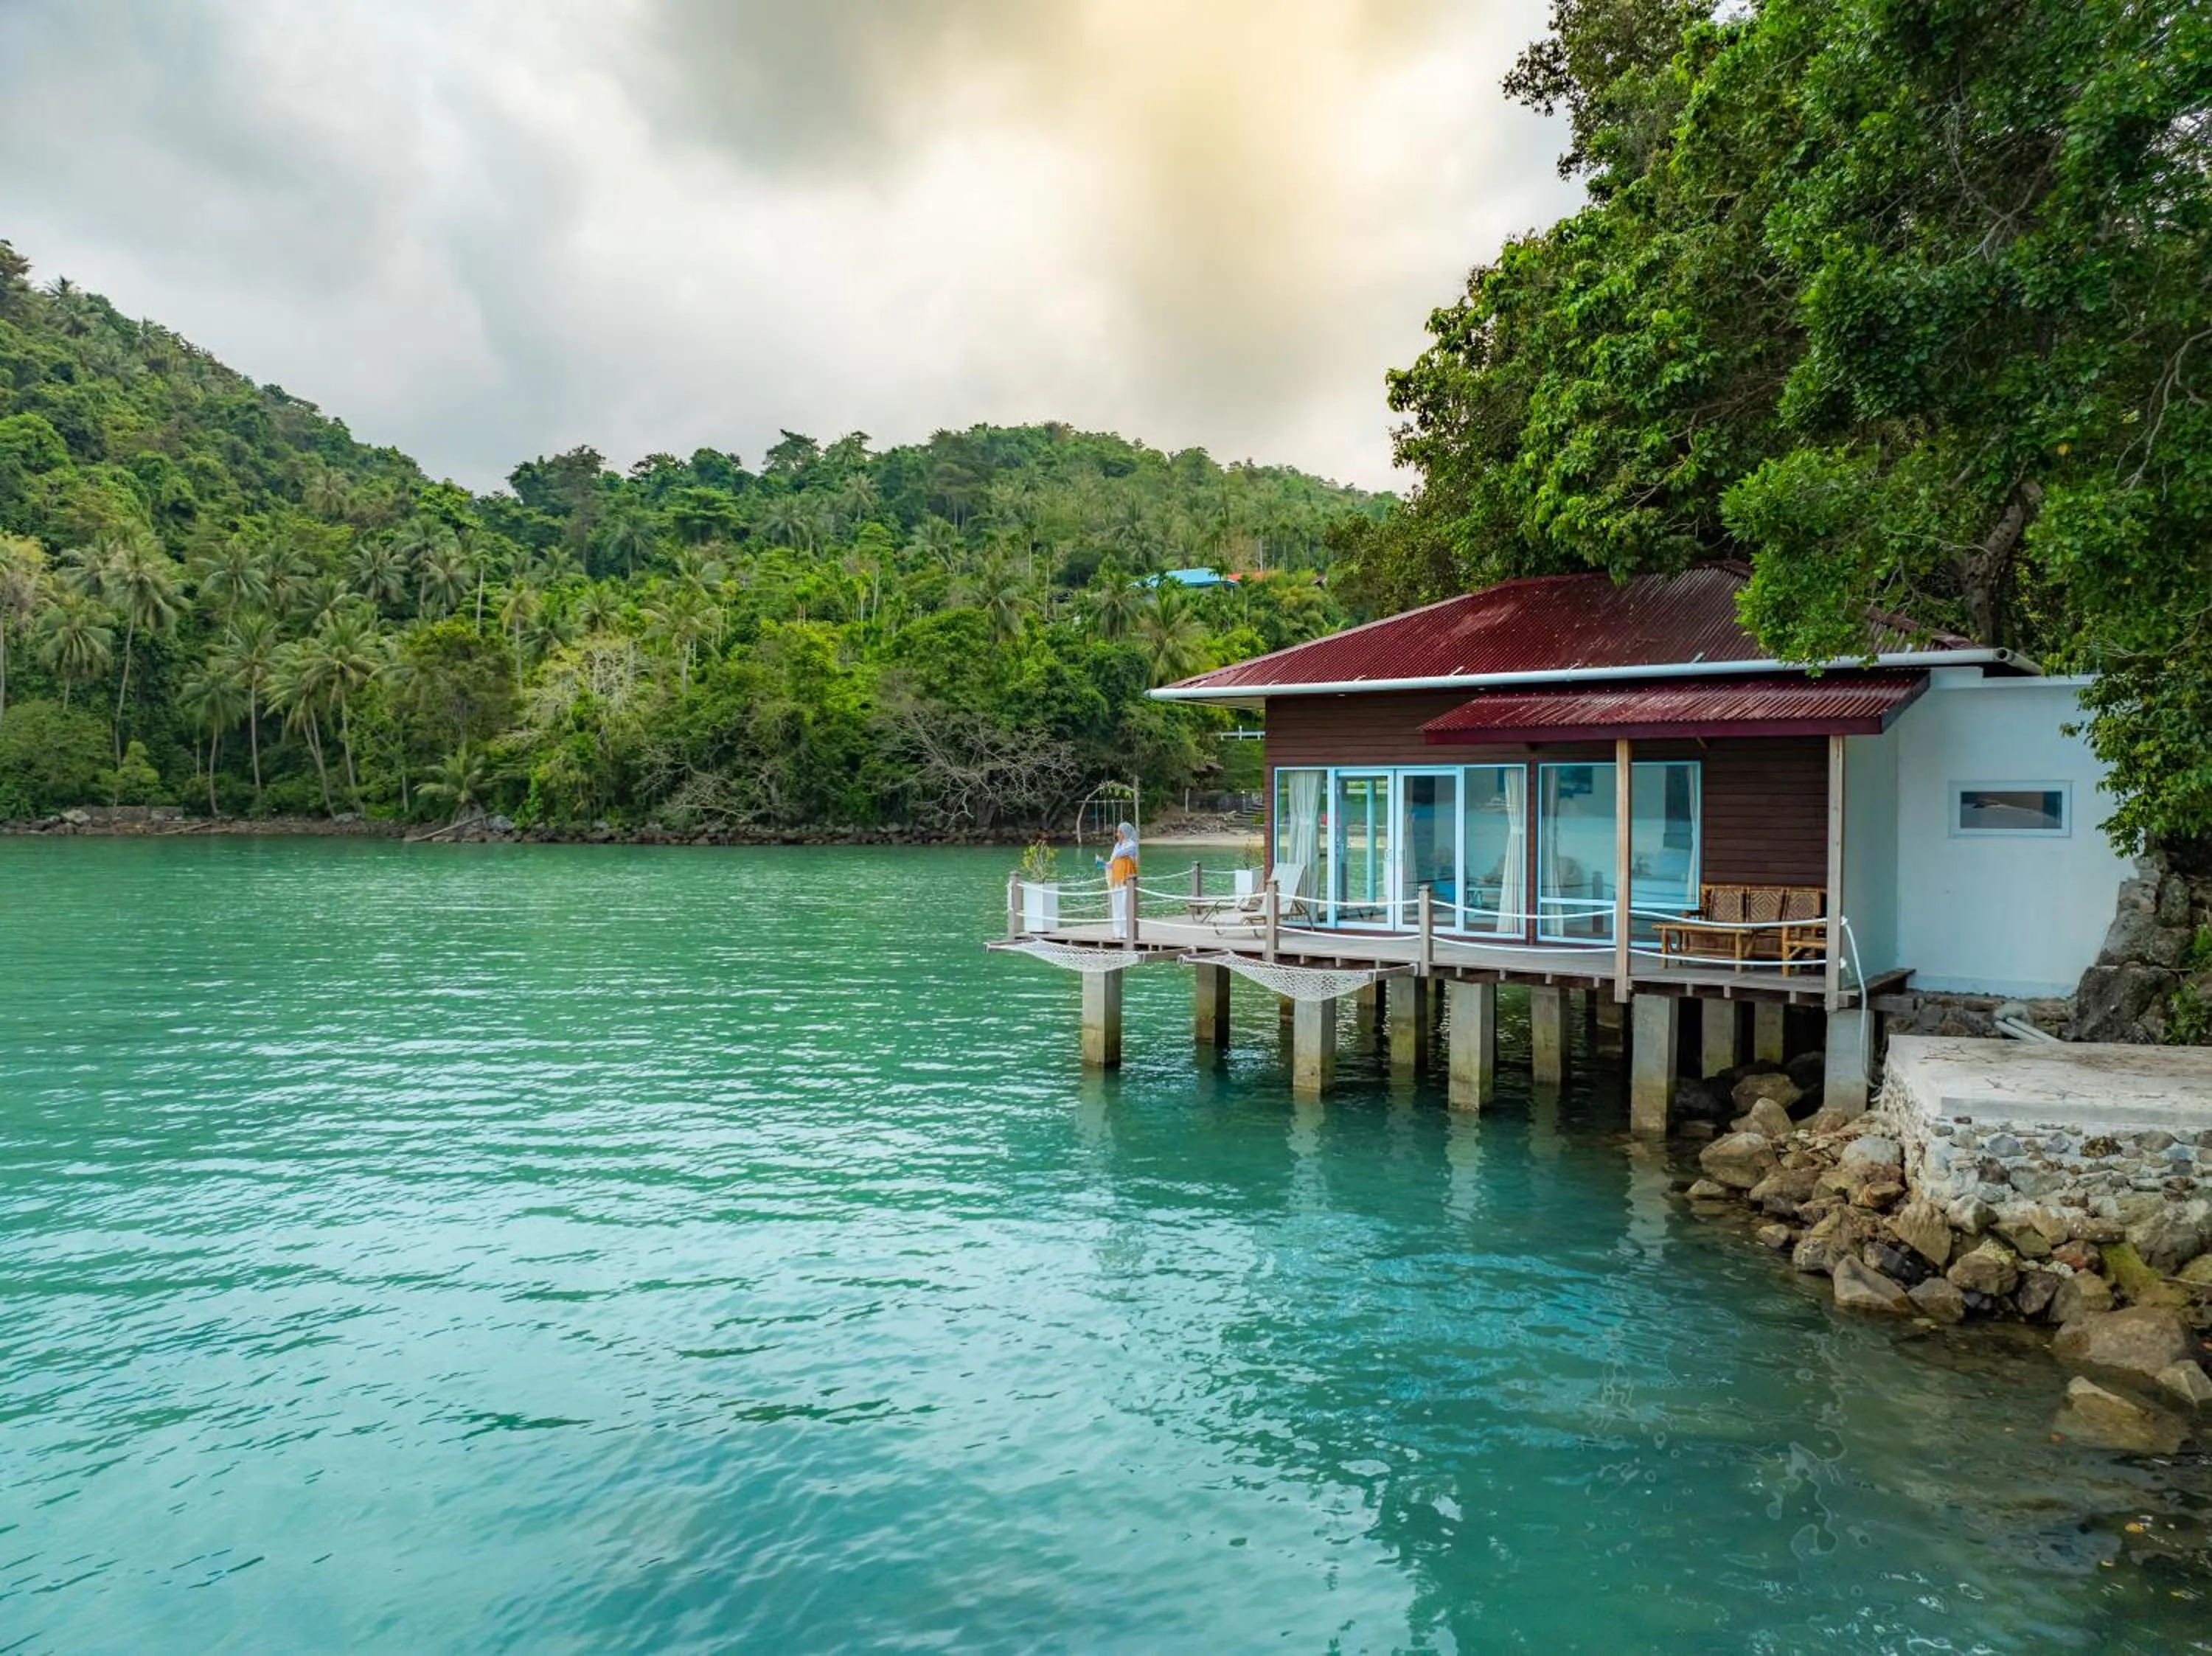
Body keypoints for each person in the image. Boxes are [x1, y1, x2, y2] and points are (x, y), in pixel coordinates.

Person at [1105, 821, 1139, 938]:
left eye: (1120, 832)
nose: (1117, 834)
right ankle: (1117, 932)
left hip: (1126, 879)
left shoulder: (1131, 845)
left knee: (1125, 906)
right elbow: (1112, 861)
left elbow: (1120, 854)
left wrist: (1115, 856)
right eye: (1118, 832)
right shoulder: (1117, 846)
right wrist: (1104, 864)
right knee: (1117, 905)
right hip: (1116, 879)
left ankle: (1126, 932)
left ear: (1125, 833)